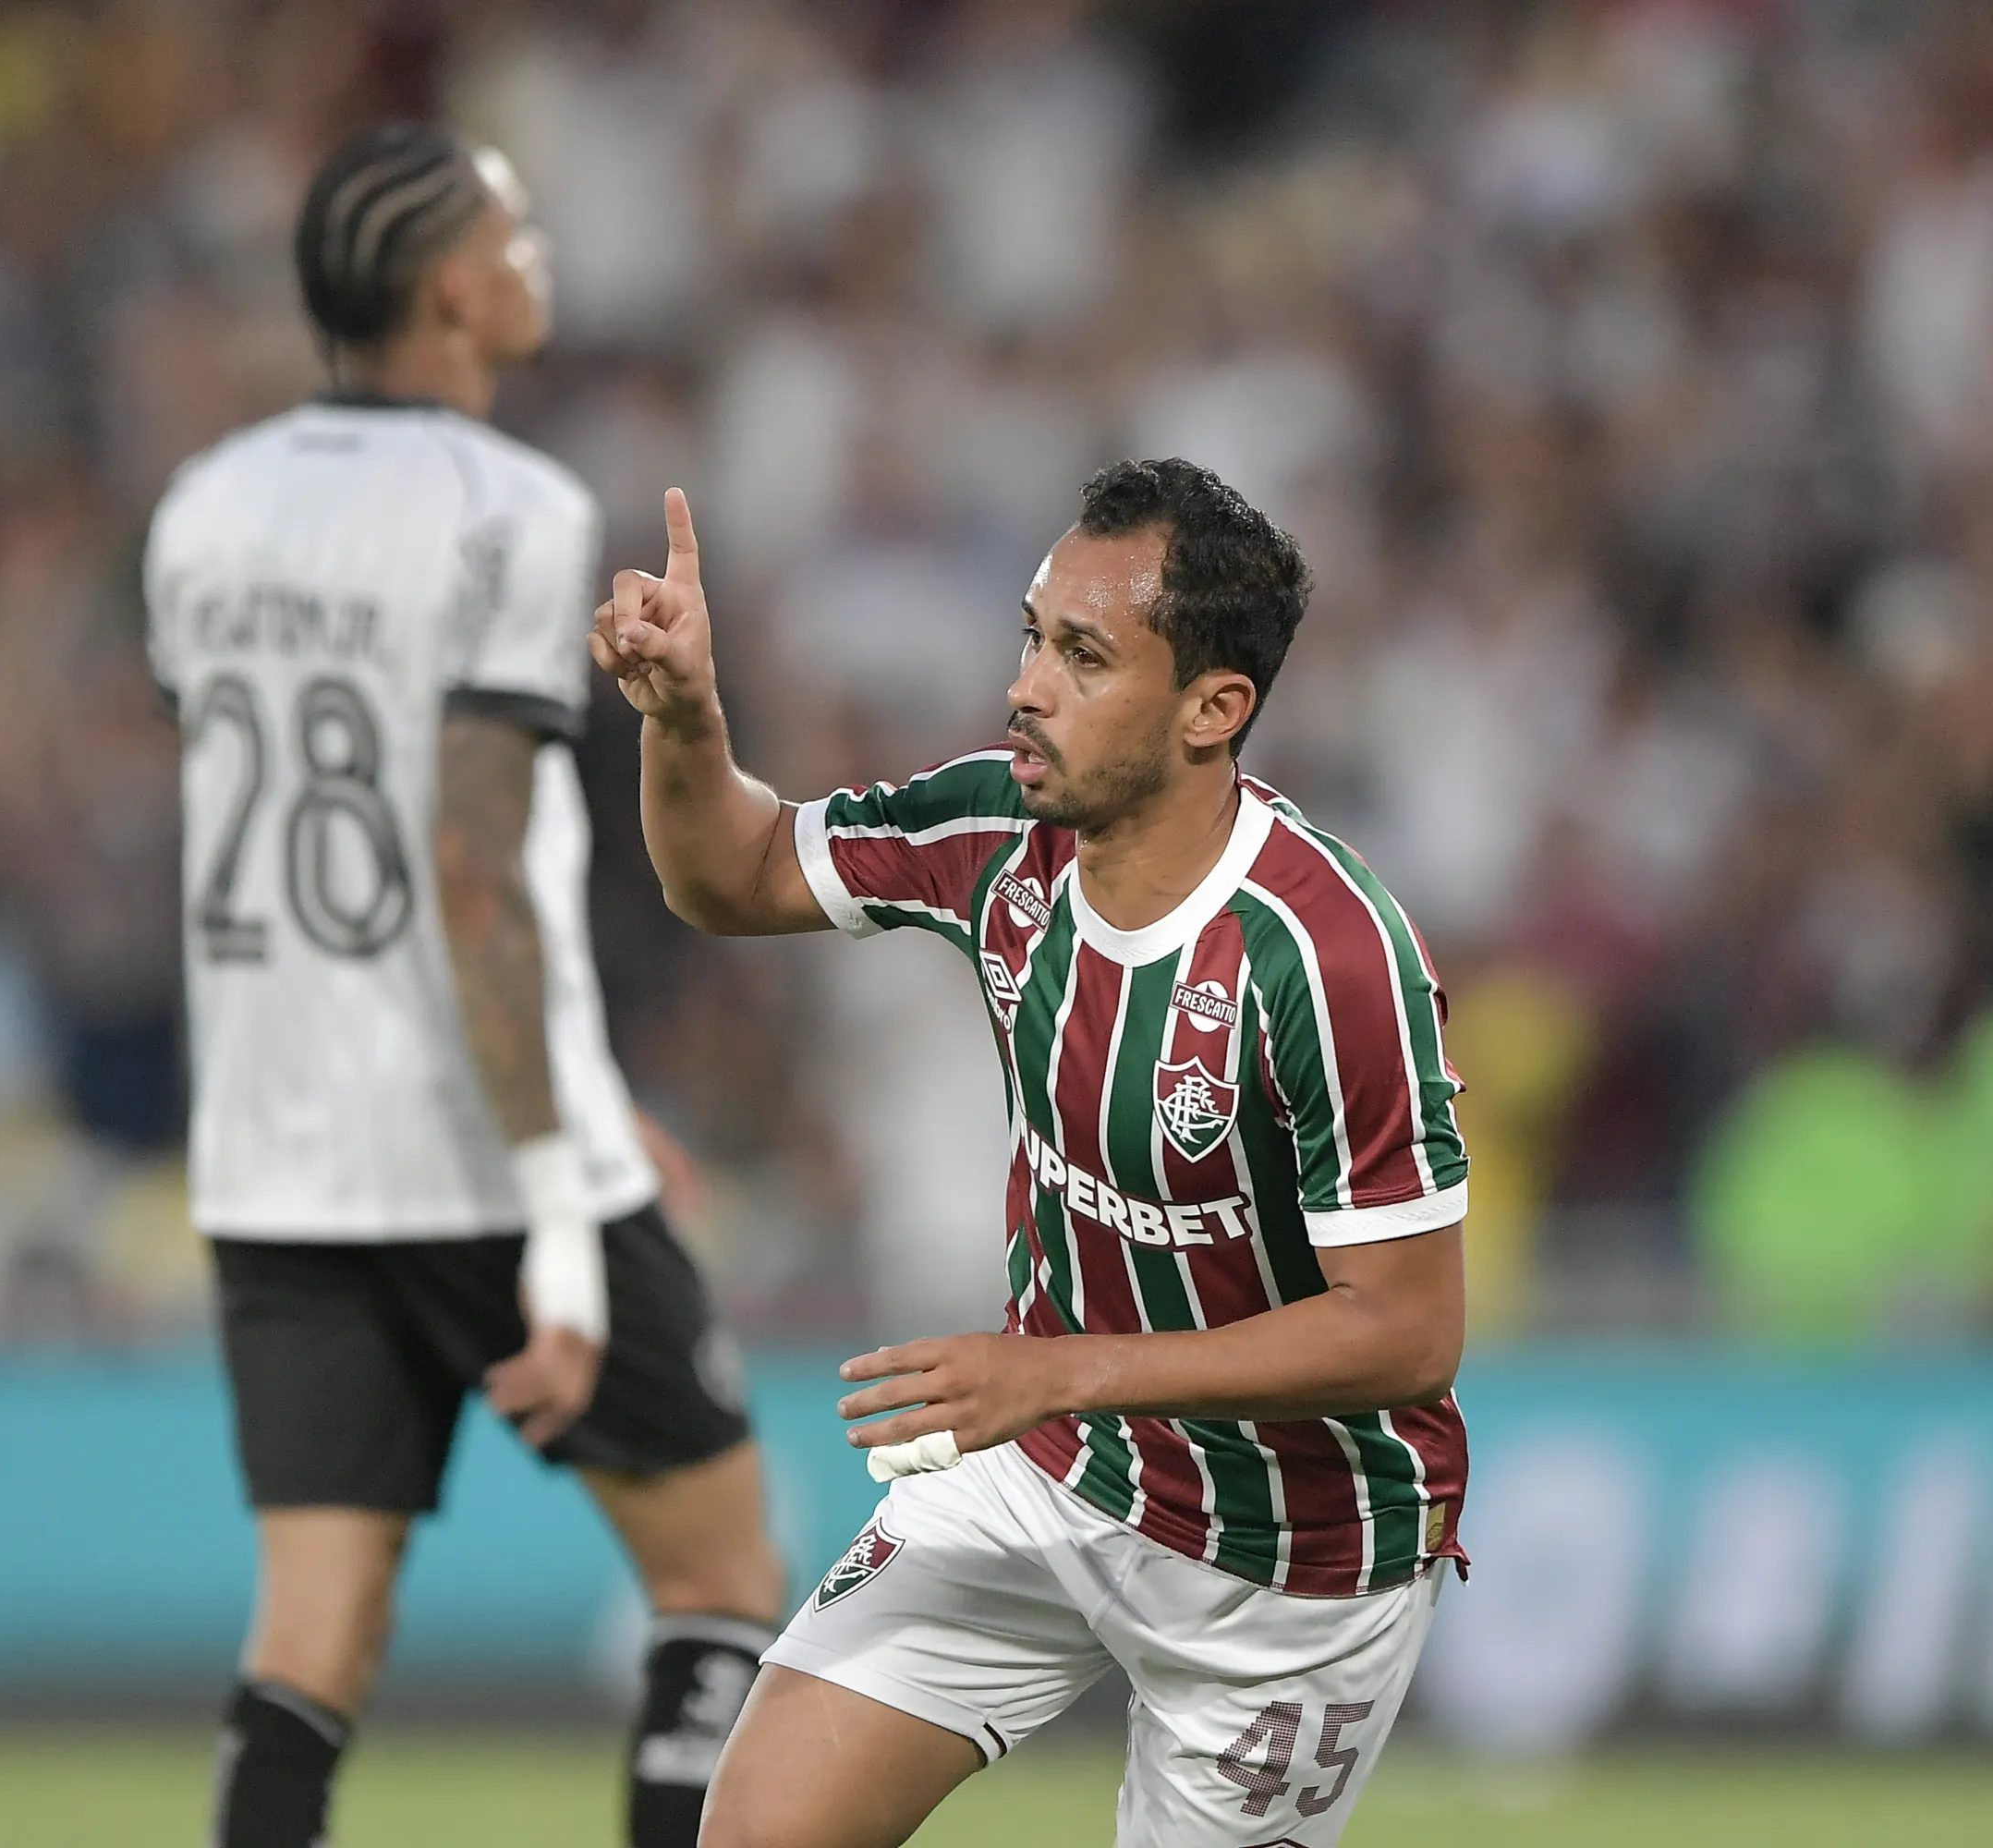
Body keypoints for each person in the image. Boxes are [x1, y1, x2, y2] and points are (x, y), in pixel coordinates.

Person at [596, 459, 1471, 1847]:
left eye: (1082, 655)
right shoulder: (1002, 833)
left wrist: (1060, 1366)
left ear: (1213, 709)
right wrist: (687, 720)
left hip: (1288, 1564)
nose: (1024, 686)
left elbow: (1412, 1332)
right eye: (1030, 635)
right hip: (1056, 1463)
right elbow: (733, 872)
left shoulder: (1326, 956)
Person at [143, 123, 783, 1848]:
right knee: (722, 1573)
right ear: (449, 288)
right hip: (488, 1144)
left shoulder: (204, 508)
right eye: (515, 229)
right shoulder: (508, 510)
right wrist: (564, 1208)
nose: (539, 252)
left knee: (316, 1632)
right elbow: (478, 872)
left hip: (277, 1143)